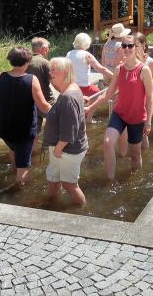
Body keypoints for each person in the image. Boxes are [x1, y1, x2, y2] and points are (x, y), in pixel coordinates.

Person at [86, 35, 153, 179]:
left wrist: (148, 121)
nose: (127, 49)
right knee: (107, 142)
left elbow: (150, 97)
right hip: (120, 114)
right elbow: (108, 94)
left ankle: (135, 181)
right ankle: (110, 180)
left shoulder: (144, 70)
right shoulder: (119, 70)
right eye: (124, 46)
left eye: (130, 46)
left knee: (135, 154)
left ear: (136, 48)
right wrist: (90, 107)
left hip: (137, 117)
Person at [0, 46, 52, 186]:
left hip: (3, 128)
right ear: (28, 61)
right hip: (23, 131)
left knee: (13, 149)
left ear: (10, 60)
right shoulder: (31, 79)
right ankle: (18, 189)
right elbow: (43, 106)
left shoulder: (0, 77)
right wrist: (62, 109)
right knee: (24, 165)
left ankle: (14, 172)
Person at [43, 57, 88, 205]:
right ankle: (50, 204)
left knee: (69, 184)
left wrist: (58, 149)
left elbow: (69, 131)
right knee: (53, 179)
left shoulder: (67, 98)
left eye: (53, 70)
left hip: (66, 149)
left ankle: (82, 210)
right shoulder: (72, 87)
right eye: (50, 70)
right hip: (61, 148)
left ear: (65, 72)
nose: (50, 73)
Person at [27, 37, 53, 152]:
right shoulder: (45, 63)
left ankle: (32, 155)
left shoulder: (24, 61)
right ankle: (58, 150)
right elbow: (56, 82)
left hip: (29, 103)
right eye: (48, 48)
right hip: (46, 101)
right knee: (62, 122)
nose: (48, 50)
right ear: (43, 49)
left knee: (34, 133)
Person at [66, 32, 113, 97]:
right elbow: (101, 69)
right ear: (86, 43)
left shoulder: (69, 54)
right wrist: (114, 76)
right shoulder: (86, 55)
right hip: (84, 87)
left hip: (72, 86)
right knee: (98, 94)